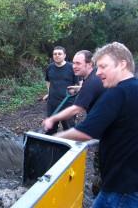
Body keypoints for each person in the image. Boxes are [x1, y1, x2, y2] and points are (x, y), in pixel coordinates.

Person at [55, 42, 138, 207]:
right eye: (97, 67)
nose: (98, 73)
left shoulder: (116, 93)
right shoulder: (134, 89)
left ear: (122, 64)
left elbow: (85, 132)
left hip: (120, 189)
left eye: (103, 67)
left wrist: (56, 137)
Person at [42, 50, 105, 131]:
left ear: (89, 64)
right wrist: (80, 88)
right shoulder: (94, 76)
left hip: (107, 125)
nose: (74, 66)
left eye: (78, 63)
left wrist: (52, 119)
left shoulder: (91, 82)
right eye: (74, 63)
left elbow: (75, 109)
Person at [42, 46, 78, 134]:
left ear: (64, 55)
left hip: (68, 103)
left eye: (59, 54)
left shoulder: (71, 67)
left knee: (69, 128)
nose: (57, 56)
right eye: (55, 54)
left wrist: (75, 92)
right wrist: (49, 92)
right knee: (50, 129)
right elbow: (47, 81)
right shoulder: (49, 67)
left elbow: (78, 84)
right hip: (52, 103)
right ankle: (50, 146)